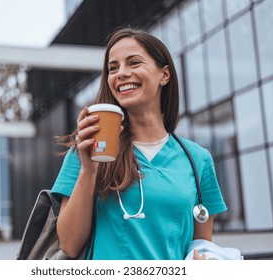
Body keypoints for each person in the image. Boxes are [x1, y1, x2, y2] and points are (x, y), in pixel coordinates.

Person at [51, 27, 227, 260]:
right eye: (113, 68)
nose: (121, 73)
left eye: (134, 63)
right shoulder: (89, 149)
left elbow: (203, 247)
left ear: (164, 75)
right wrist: (89, 170)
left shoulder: (198, 159)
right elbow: (70, 245)